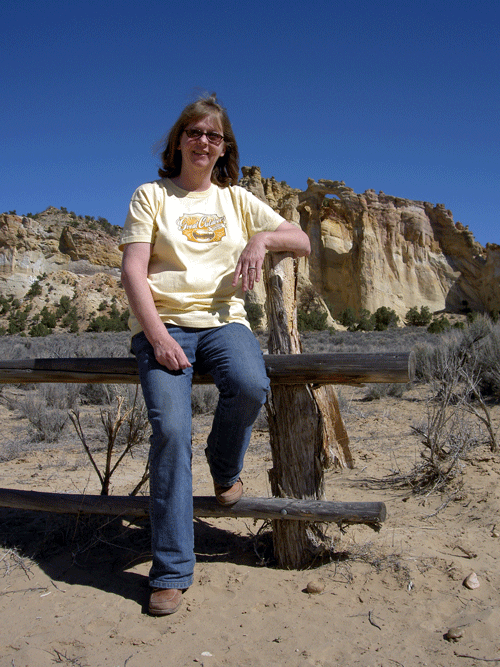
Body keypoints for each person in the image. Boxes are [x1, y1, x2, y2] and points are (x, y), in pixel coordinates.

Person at [120, 93, 310, 616]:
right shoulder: (151, 195)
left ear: (225, 148)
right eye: (195, 132)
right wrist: (156, 336)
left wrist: (262, 242)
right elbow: (134, 270)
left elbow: (303, 240)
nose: (204, 142)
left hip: (225, 322)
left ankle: (224, 469)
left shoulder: (237, 200)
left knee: (251, 385)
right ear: (179, 139)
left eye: (215, 136)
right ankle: (172, 572)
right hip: (168, 327)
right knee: (172, 433)